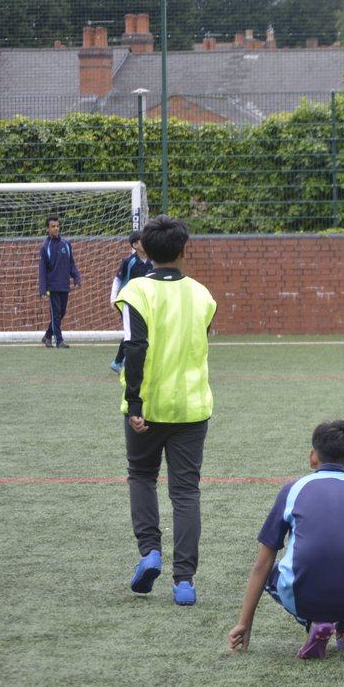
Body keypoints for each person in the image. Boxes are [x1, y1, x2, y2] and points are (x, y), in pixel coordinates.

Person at [228, 420, 344, 659]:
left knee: (271, 573)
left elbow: (261, 565)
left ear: (312, 458)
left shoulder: (293, 490)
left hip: (300, 597)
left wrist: (244, 624)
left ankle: (315, 623)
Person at [116, 215, 217, 606]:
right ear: (183, 250)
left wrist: (136, 402)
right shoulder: (203, 295)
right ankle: (185, 581)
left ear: (145, 250)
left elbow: (134, 348)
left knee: (141, 476)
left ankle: (150, 552)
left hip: (148, 406)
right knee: (186, 492)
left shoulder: (135, 291)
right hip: (192, 407)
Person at [108, 231, 152, 373]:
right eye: (143, 241)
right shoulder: (129, 261)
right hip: (129, 302)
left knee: (142, 332)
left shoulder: (153, 261)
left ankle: (123, 361)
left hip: (146, 303)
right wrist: (113, 298)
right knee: (131, 333)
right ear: (135, 245)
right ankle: (119, 362)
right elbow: (118, 279)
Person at [38, 215, 81, 348]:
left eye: (57, 226)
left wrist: (76, 277)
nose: (56, 228)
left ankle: (47, 336)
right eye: (53, 226)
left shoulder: (66, 244)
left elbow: (71, 263)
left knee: (61, 313)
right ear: (47, 229)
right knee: (56, 313)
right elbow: (42, 270)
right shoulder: (45, 247)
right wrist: (43, 289)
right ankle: (59, 340)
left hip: (64, 285)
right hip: (52, 287)